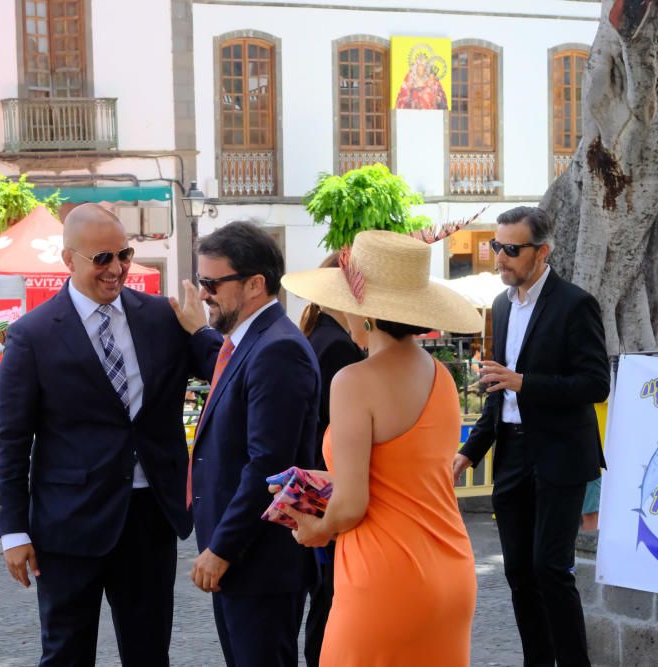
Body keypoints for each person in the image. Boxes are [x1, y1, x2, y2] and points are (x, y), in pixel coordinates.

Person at [0, 203, 221, 666]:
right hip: (68, 524)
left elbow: (229, 376)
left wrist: (201, 331)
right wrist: (12, 532)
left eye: (125, 255)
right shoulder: (32, 336)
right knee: (66, 654)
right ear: (68, 259)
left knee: (149, 652)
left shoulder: (162, 317)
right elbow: (11, 443)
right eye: (102, 259)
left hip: (149, 516)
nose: (116, 269)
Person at [281, 230, 483, 666]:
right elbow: (407, 473)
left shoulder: (354, 381)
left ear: (366, 314)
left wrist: (316, 529)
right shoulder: (442, 377)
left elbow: (352, 504)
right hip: (450, 568)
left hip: (384, 575)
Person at [454, 206, 609, 667]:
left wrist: (525, 382)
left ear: (542, 252)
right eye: (496, 247)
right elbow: (501, 390)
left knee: (550, 568)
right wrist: (469, 450)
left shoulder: (575, 304)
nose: (499, 257)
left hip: (561, 455)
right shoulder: (502, 306)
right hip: (513, 455)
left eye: (511, 249)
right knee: (519, 572)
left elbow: (595, 383)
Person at [170, 221, 320, 667]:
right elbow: (227, 369)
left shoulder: (277, 349)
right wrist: (200, 334)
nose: (202, 294)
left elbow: (266, 465)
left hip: (260, 560)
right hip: (248, 561)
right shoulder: (253, 341)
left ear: (255, 284)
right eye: (201, 282)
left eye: (212, 283)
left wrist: (222, 549)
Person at [295, 253, 364, 667]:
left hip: (319, 480)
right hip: (331, 483)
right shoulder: (336, 343)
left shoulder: (320, 333)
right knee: (331, 597)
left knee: (325, 595)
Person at [395, 45, 449, 110]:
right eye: (418, 69)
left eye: (422, 69)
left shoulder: (432, 79)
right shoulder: (409, 78)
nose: (420, 72)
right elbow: (403, 96)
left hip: (430, 111)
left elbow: (440, 95)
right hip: (413, 111)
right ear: (415, 69)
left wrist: (437, 98)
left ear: (426, 69)